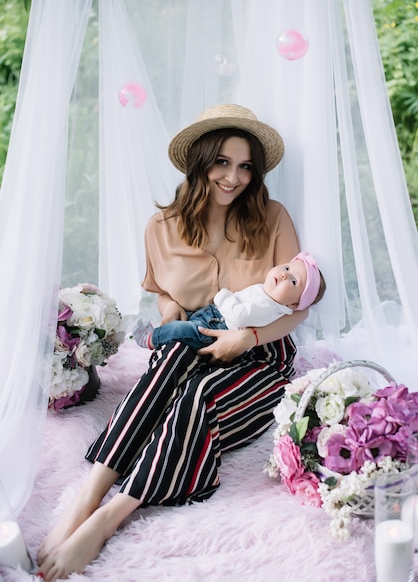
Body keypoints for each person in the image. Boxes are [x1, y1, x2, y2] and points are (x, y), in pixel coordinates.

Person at [37, 103, 309, 581]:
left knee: (196, 395)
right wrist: (171, 320)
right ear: (199, 160)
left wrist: (247, 337)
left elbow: (298, 304)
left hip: (261, 354)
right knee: (174, 355)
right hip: (195, 341)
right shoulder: (160, 228)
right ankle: (88, 492)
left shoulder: (273, 217)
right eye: (223, 162)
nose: (234, 177)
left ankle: (110, 515)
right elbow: (163, 291)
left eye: (246, 166)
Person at [132, 251, 326, 351]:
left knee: (183, 331)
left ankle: (151, 339)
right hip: (213, 315)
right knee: (183, 323)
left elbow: (240, 316)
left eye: (294, 281)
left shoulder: (269, 307)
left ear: (293, 305)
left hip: (219, 327)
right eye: (286, 268)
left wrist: (223, 295)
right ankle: (163, 336)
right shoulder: (267, 293)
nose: (284, 275)